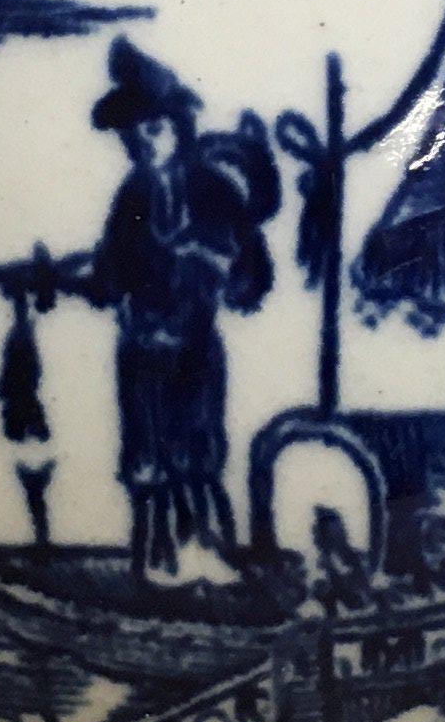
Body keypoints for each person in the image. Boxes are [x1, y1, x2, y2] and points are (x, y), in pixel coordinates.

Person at [50, 39, 278, 578]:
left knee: (197, 449)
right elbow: (110, 273)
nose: (142, 145)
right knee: (146, 458)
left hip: (195, 341)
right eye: (132, 136)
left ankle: (211, 547)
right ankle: (151, 555)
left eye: (152, 129)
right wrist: (72, 282)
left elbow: (250, 263)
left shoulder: (213, 190)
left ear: (178, 126)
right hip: (142, 343)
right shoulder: (131, 197)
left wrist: (221, 269)